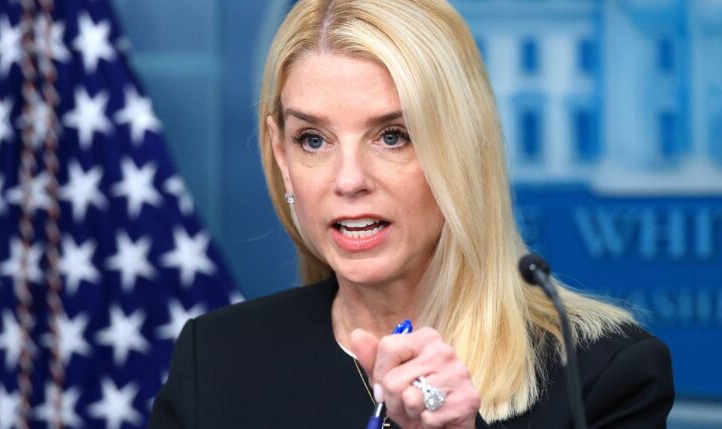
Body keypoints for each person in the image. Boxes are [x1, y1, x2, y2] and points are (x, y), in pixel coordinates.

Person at [148, 0, 675, 428]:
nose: (349, 179)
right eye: (313, 139)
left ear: (463, 150)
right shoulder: (216, 360)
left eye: (392, 136)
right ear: (282, 158)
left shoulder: (604, 375)